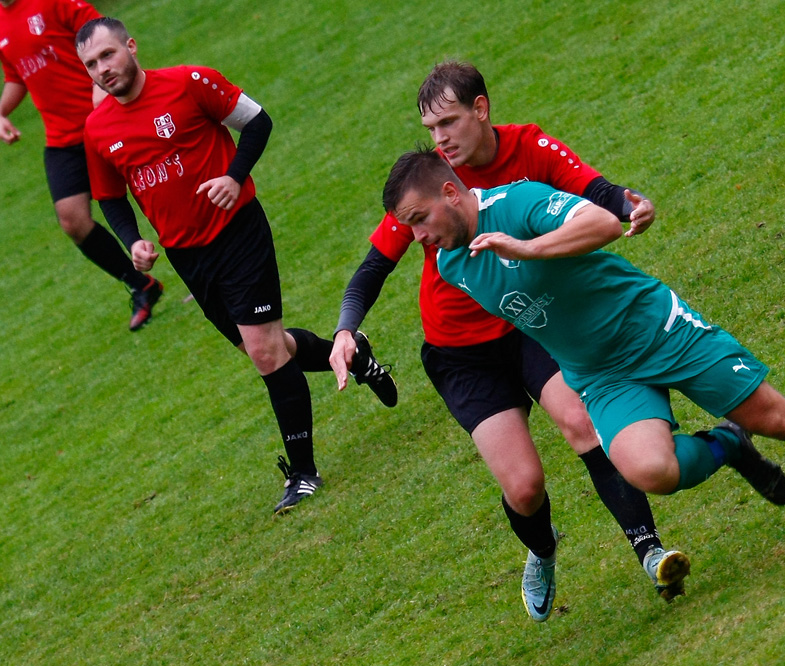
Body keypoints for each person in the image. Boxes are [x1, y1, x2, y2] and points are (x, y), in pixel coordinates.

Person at [382, 147, 785, 596]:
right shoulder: (452, 264)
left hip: (654, 328)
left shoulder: (519, 202)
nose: (417, 237)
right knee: (650, 471)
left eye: (419, 219)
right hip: (601, 374)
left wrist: (528, 247)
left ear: (451, 192)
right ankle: (728, 446)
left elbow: (600, 222)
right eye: (407, 228)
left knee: (774, 415)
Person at [332, 62, 692, 621]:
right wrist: (344, 329)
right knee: (524, 488)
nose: (440, 139)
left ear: (481, 109)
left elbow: (593, 192)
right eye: (430, 129)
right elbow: (372, 269)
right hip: (459, 352)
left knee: (581, 421)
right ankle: (542, 549)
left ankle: (649, 549)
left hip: (531, 323)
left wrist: (631, 203)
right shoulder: (427, 186)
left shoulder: (527, 148)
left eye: (448, 122)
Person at [75, 17, 396, 514]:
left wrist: (233, 176)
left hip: (238, 232)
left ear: (131, 47)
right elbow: (110, 195)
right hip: (186, 255)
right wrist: (133, 240)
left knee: (266, 353)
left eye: (109, 55)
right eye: (92, 64)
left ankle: (304, 473)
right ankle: (350, 354)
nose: (103, 69)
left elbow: (258, 120)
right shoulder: (97, 130)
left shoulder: (188, 82)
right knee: (270, 349)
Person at [0, 0, 163, 330]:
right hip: (62, 139)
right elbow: (18, 76)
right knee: (72, 220)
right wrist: (1, 111)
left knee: (154, 188)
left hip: (104, 122)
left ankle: (203, 259)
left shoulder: (53, 3)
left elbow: (105, 37)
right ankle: (141, 284)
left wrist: (99, 90)